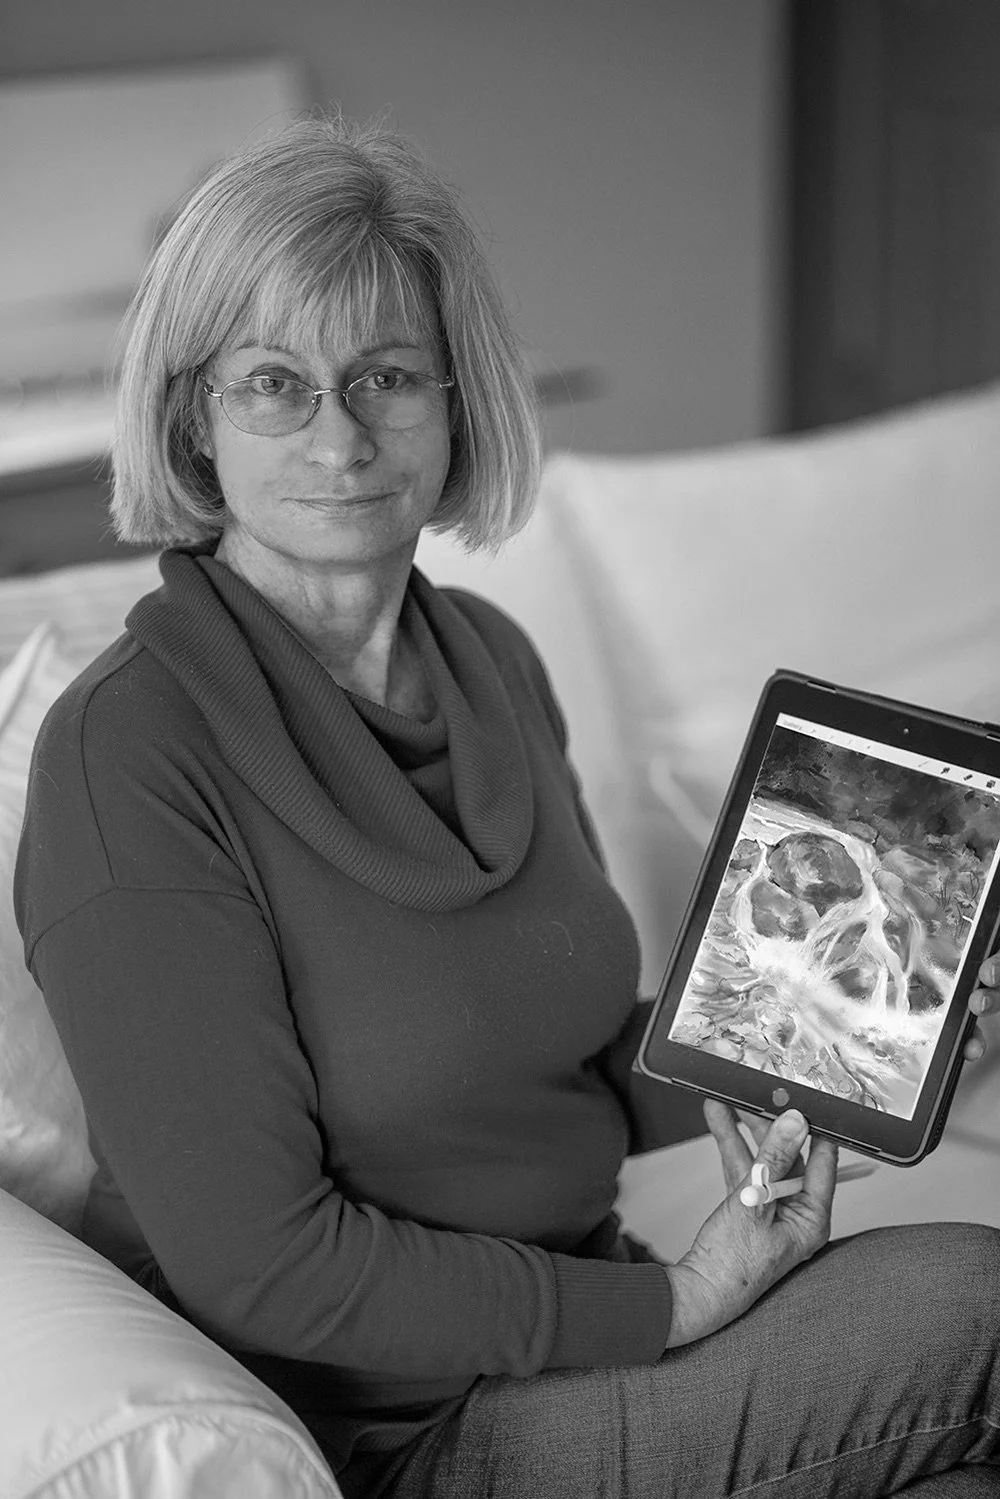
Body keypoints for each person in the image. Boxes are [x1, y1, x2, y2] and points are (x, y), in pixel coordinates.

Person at [13, 115, 1000, 1499]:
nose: (341, 436)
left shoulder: (489, 659)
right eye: (275, 385)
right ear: (195, 421)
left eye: (387, 375)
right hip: (410, 1429)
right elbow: (264, 1265)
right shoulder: (127, 754)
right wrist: (677, 1304)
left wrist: (839, 1039)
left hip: (592, 1333)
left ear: (458, 398)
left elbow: (569, 1072)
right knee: (979, 1305)